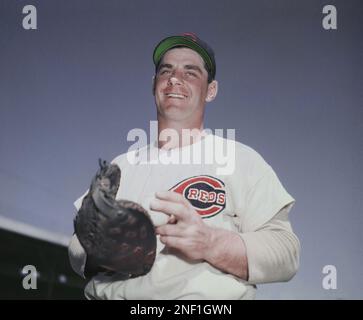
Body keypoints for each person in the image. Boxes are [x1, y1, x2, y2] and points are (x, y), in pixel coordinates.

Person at [68, 33, 300, 300]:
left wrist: (211, 243)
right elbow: (76, 248)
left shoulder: (241, 159)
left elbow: (286, 253)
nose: (174, 79)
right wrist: (101, 251)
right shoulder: (122, 165)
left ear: (210, 90)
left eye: (190, 72)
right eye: (166, 70)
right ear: (154, 84)